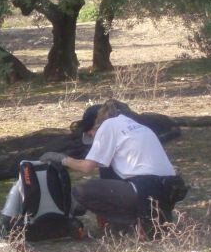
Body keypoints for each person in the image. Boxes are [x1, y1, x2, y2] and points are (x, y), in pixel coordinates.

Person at [40, 99, 185, 237]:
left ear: (97, 124)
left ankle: (132, 222)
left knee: (82, 191)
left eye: (90, 131)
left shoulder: (107, 126)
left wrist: (61, 159)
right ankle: (143, 221)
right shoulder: (140, 127)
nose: (90, 135)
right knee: (107, 168)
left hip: (145, 188)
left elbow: (87, 167)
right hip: (169, 189)